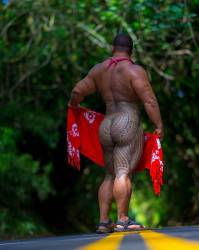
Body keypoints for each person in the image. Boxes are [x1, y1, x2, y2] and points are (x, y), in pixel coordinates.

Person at [68, 33, 164, 233]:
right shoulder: (134, 71)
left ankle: (104, 221)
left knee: (110, 174)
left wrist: (73, 106)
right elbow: (149, 101)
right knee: (123, 172)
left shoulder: (99, 70)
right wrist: (159, 125)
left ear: (113, 49)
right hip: (127, 121)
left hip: (106, 124)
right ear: (131, 51)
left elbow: (77, 92)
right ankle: (123, 219)